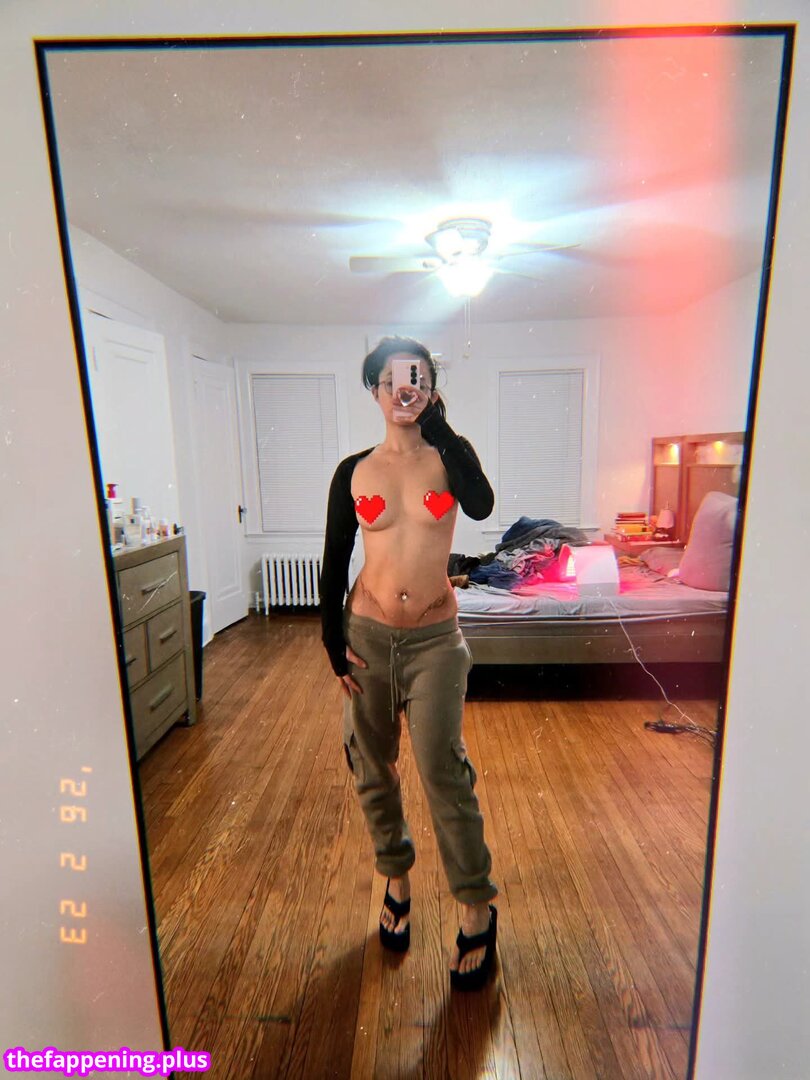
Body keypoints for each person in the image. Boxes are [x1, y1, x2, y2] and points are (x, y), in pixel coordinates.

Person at [319, 335, 499, 991]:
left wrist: (439, 424)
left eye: (415, 378)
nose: (403, 390)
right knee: (371, 766)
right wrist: (331, 640)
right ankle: (396, 879)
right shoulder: (353, 472)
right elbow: (336, 556)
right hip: (366, 634)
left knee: (443, 771)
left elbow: (480, 504)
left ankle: (476, 908)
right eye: (391, 380)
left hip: (434, 643)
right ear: (373, 389)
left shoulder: (448, 458)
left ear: (428, 385)